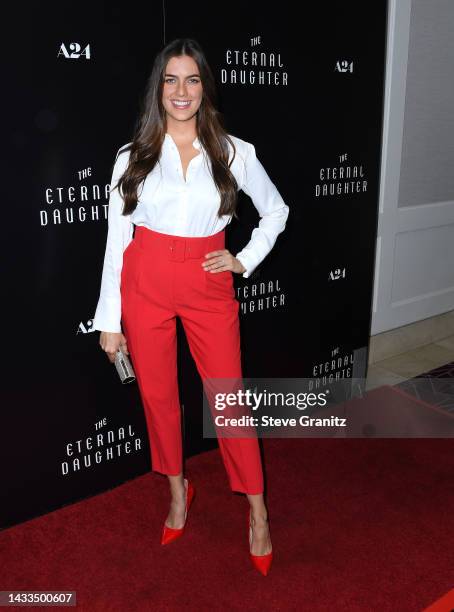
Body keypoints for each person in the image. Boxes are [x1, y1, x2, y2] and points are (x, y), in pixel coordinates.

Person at [92, 37, 289, 576]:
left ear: (205, 87)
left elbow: (275, 212)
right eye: (171, 80)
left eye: (192, 80)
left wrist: (244, 260)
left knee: (229, 400)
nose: (181, 91)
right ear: (158, 88)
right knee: (158, 397)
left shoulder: (233, 151)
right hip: (145, 279)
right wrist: (110, 321)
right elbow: (116, 242)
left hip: (207, 282)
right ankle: (178, 493)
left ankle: (258, 510)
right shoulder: (132, 157)